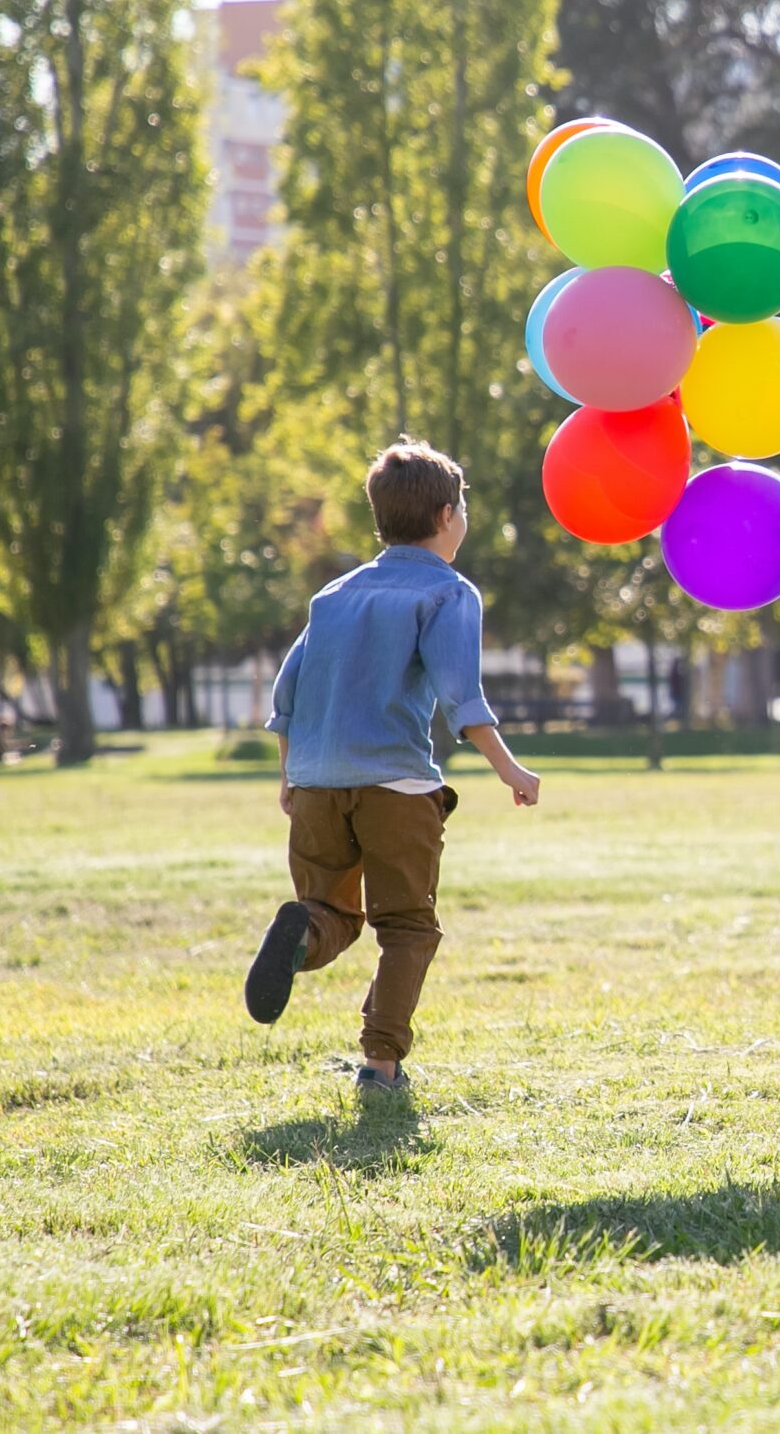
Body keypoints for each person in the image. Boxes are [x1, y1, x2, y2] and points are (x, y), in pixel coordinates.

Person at [245, 440, 544, 1096]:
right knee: (407, 925)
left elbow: (285, 695)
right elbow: (462, 698)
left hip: (318, 783)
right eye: (463, 507)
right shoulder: (448, 592)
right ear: (445, 517)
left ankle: (301, 933)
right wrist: (511, 770)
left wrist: (290, 775)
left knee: (331, 913)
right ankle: (380, 1065)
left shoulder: (335, 593)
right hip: (396, 785)